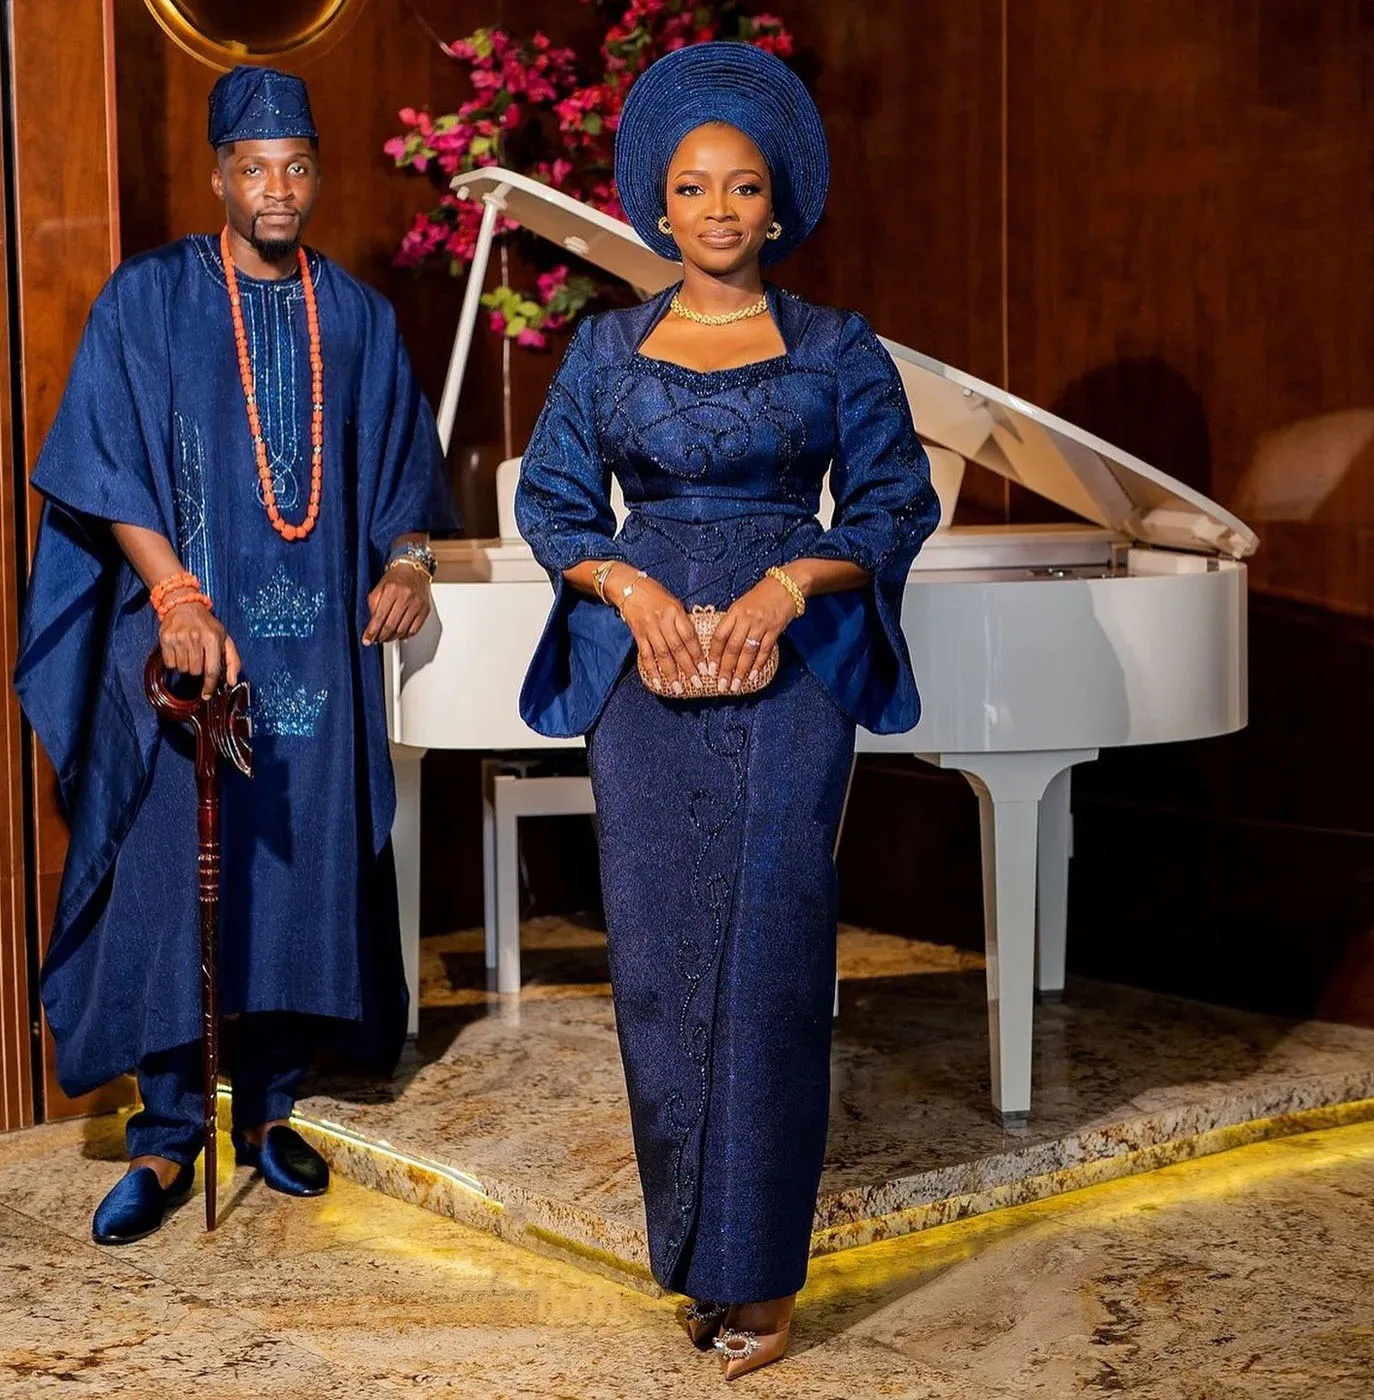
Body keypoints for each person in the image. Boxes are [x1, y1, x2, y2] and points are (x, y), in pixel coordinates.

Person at [514, 41, 940, 1383]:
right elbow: (552, 509)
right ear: (658, 201)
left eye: (742, 188)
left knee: (766, 966)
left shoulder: (838, 348)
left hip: (787, 678)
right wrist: (631, 589)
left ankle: (763, 1276)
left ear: (776, 203)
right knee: (654, 968)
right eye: (693, 187)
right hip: (644, 688)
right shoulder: (600, 349)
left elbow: (890, 506)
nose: (716, 211)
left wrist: (785, 584)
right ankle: (692, 1255)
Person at [14, 65, 457, 1245]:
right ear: (218, 177)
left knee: (293, 873)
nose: (278, 188)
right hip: (184, 639)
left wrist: (409, 561)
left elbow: (406, 478)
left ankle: (264, 1110)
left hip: (313, 642)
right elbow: (101, 462)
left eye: (297, 166)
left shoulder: (353, 313)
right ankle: (166, 1138)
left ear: (316, 173)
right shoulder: (149, 299)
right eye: (255, 168)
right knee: (175, 880)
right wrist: (170, 596)